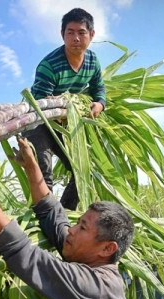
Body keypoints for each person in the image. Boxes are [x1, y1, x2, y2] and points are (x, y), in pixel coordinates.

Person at [0, 136, 134, 299]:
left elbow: (25, 255)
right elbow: (53, 216)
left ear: (107, 248)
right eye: (77, 223)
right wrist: (31, 165)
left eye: (82, 228)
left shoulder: (96, 287)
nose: (72, 230)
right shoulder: (93, 262)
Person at [23, 8, 106, 210]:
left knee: (83, 170)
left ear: (92, 34)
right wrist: (65, 112)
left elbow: (99, 87)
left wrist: (99, 103)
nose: (76, 38)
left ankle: (65, 215)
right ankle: (44, 223)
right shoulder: (49, 65)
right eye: (70, 33)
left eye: (81, 32)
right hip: (39, 122)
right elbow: (42, 101)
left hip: (65, 124)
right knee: (44, 176)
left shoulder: (93, 62)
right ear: (62, 35)